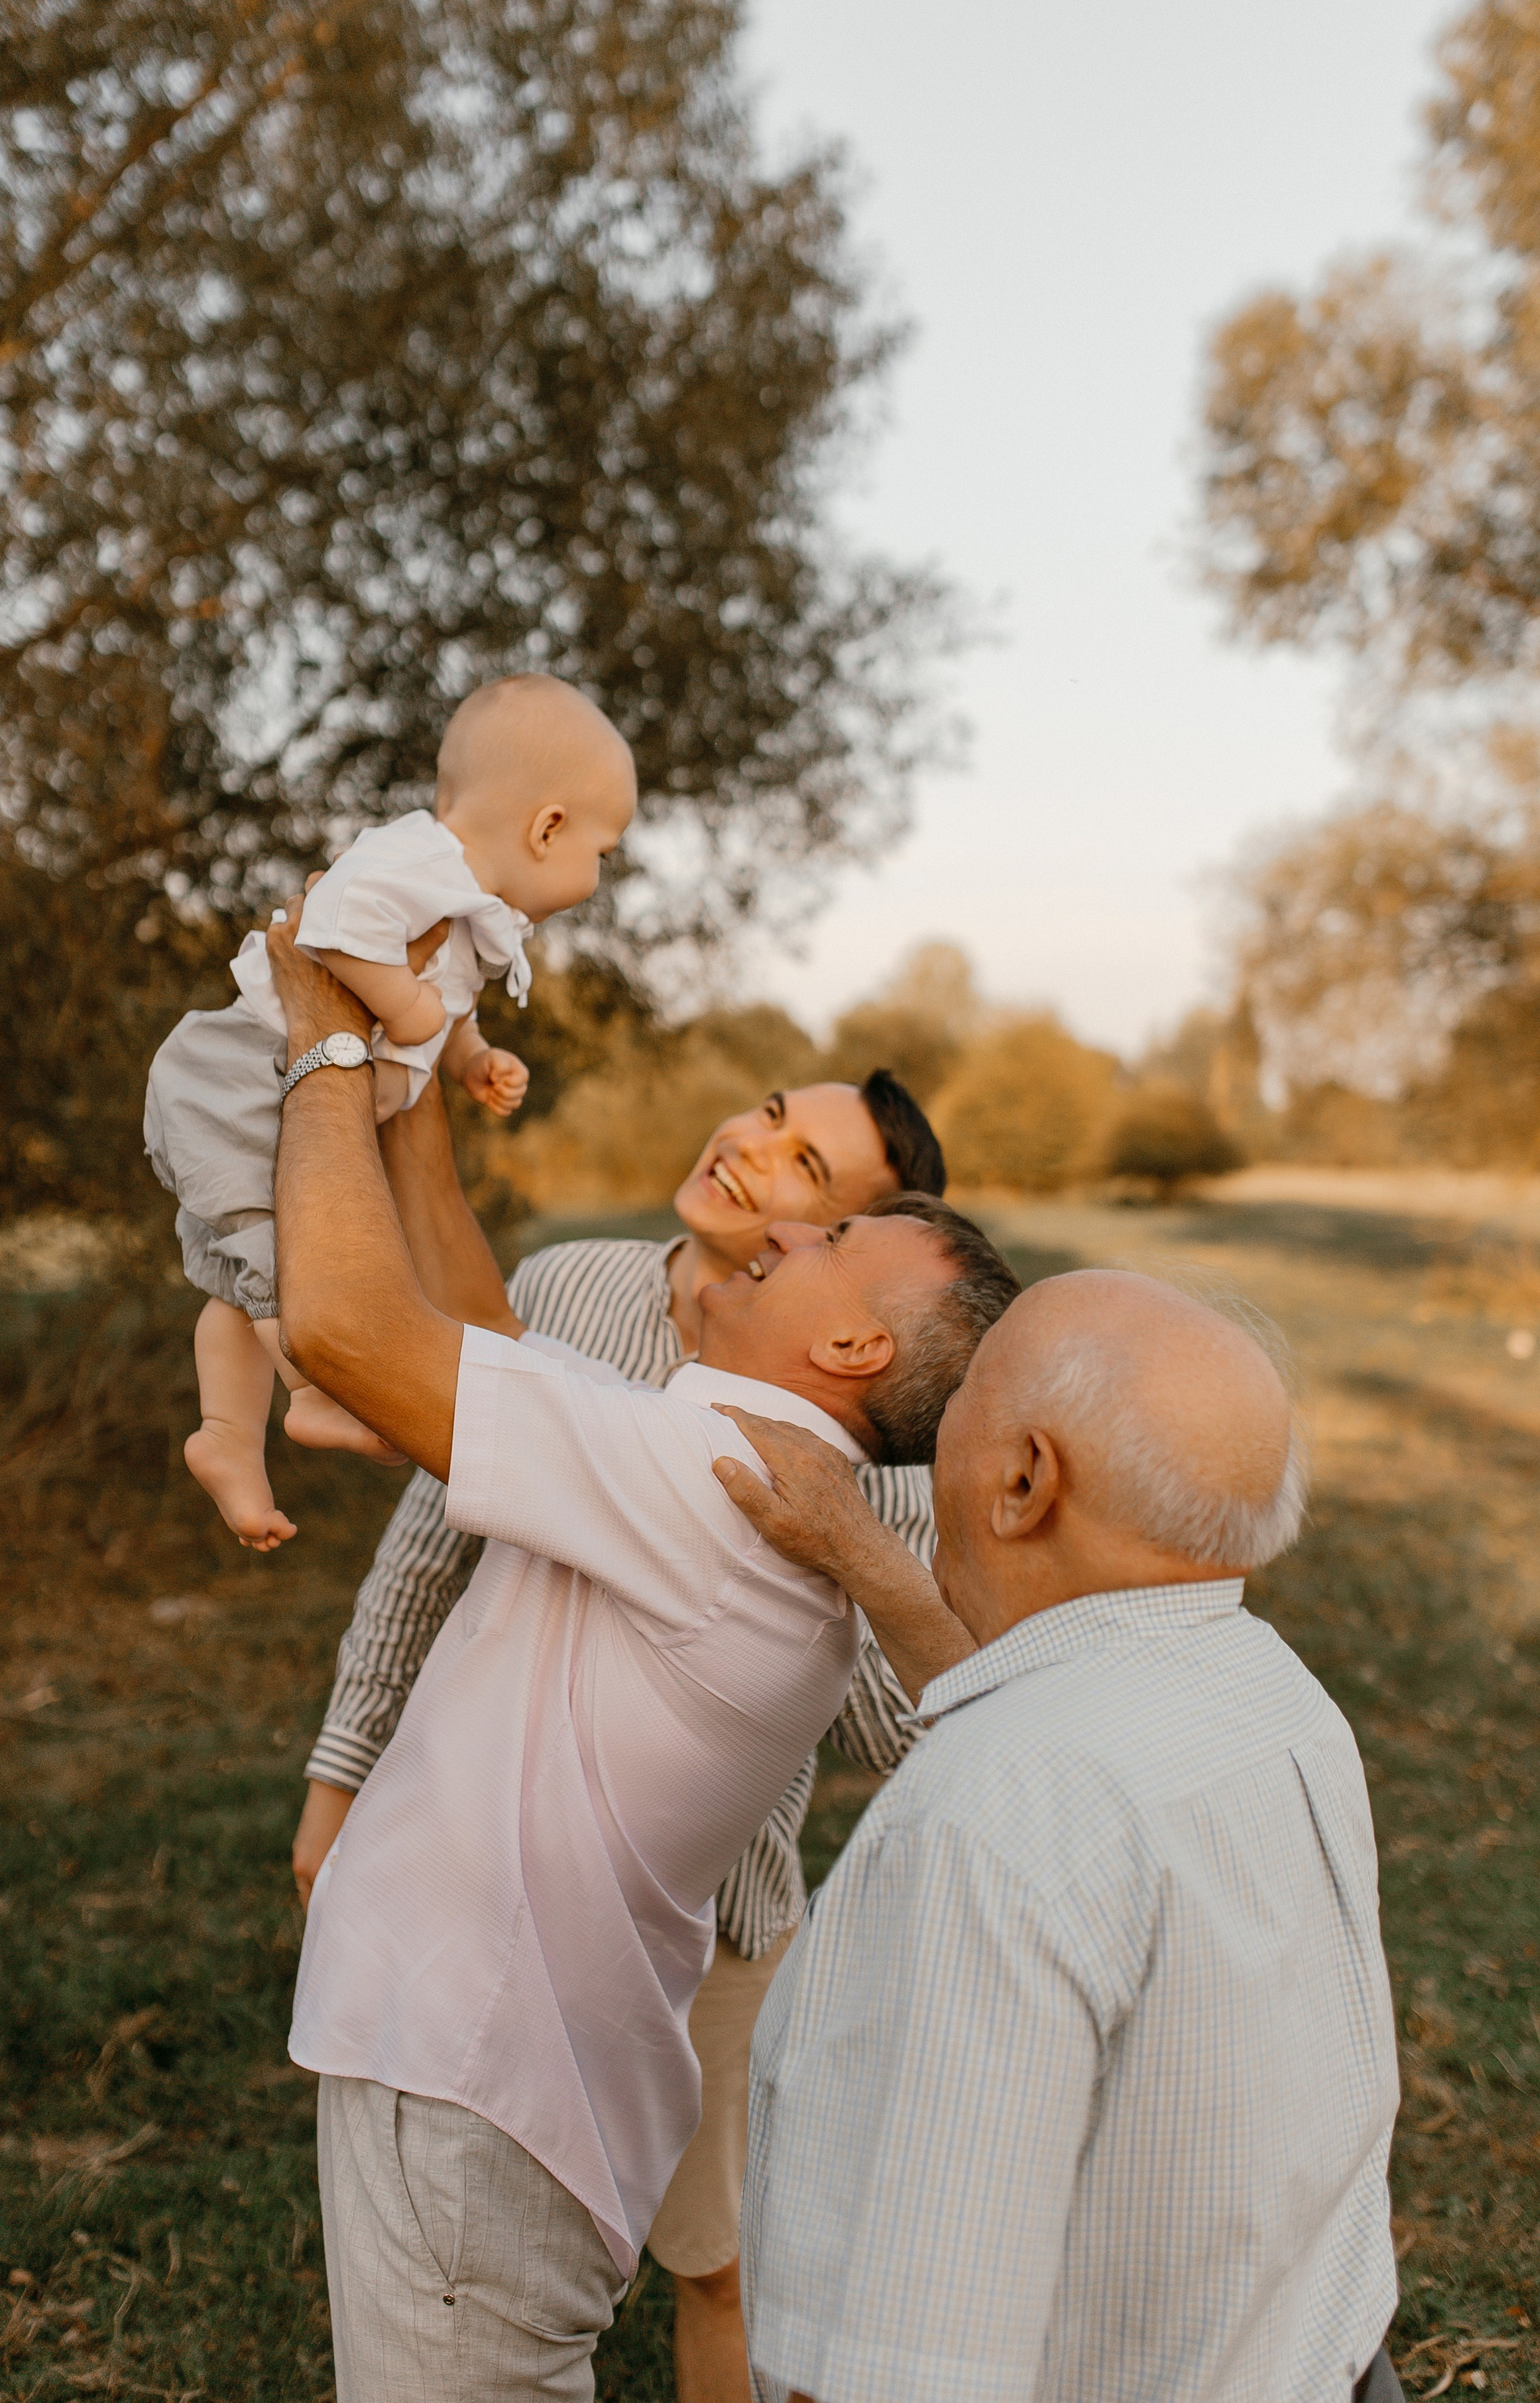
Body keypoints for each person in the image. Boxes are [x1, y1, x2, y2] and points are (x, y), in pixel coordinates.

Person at [264, 909, 1022, 2403]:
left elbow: (353, 1326)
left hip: (473, 2085)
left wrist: (324, 1045)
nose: (779, 1225)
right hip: (498, 2083)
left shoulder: (707, 1471)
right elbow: (484, 1339)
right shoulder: (717, 1450)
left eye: (830, 1232)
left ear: (856, 1354)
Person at [717, 1269, 1403, 2403]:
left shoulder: (989, 1818)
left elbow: (920, 2363)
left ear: (1026, 1478)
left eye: (969, 1395)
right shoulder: (1278, 1695)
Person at [144, 675, 636, 1550]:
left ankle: (224, 1438)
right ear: (547, 826)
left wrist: (470, 1053)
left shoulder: (475, 908)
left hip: (273, 1085)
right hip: (237, 1070)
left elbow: (442, 993)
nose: (600, 874)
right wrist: (407, 1011)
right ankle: (315, 1392)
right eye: (605, 850)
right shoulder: (417, 860)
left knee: (244, 1271)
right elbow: (330, 925)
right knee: (281, 1258)